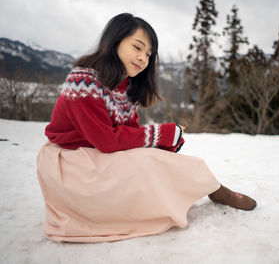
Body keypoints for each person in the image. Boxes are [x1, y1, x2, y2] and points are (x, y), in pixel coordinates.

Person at [36, 13, 256, 243]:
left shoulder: (124, 87)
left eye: (148, 55)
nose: (143, 58)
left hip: (95, 156)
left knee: (149, 158)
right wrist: (163, 134)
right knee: (145, 162)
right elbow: (108, 140)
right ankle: (211, 187)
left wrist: (161, 144)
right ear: (115, 41)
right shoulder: (83, 81)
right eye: (137, 47)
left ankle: (213, 187)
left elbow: (131, 134)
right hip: (70, 165)